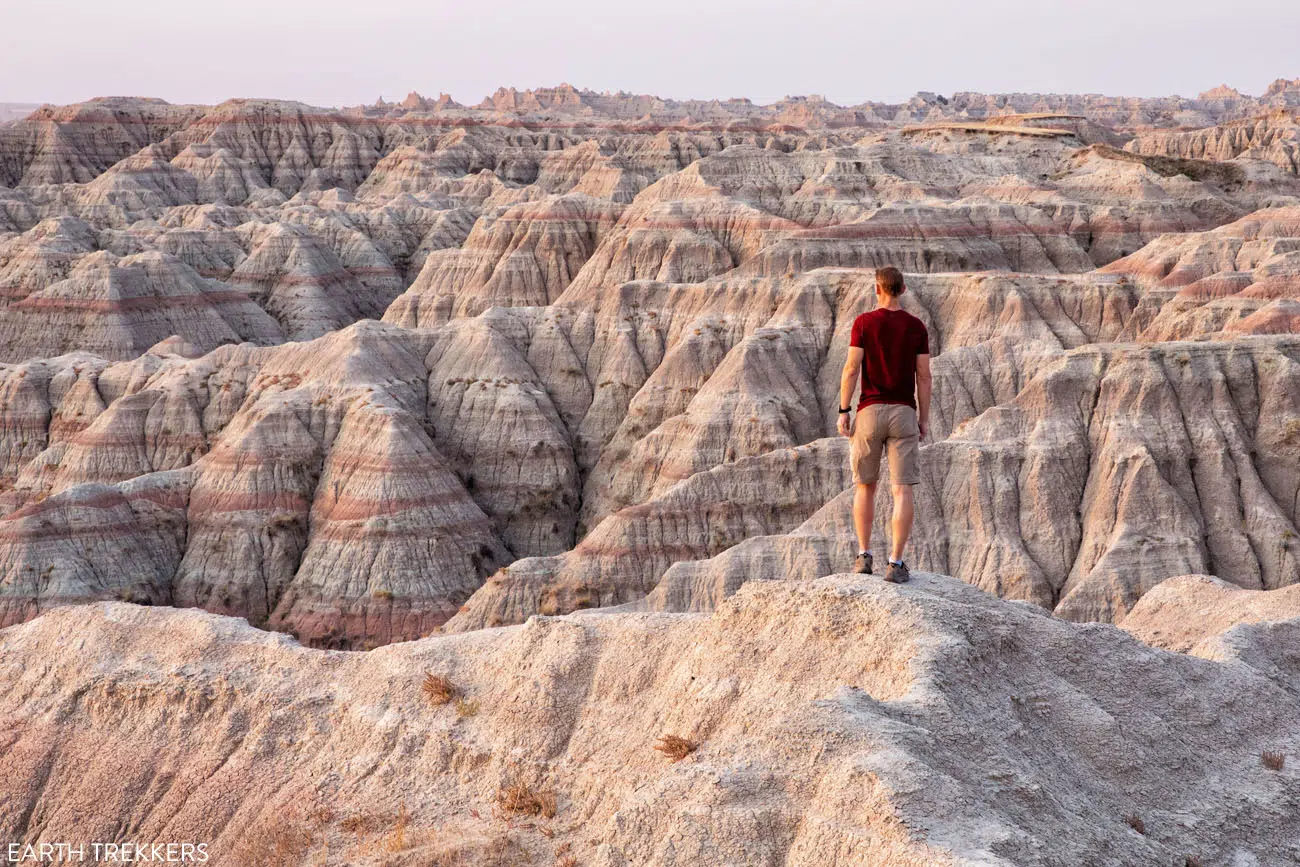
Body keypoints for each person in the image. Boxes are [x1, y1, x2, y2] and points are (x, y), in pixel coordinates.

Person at [836, 266, 932, 583]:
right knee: (902, 490)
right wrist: (923, 418)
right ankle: (895, 563)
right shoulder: (916, 327)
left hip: (869, 411)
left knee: (866, 486)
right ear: (903, 289)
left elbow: (851, 368)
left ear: (877, 289)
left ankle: (864, 556)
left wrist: (844, 409)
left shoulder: (863, 323)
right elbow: (924, 376)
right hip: (903, 412)